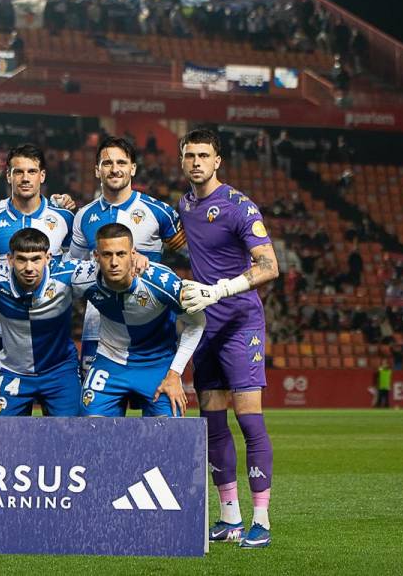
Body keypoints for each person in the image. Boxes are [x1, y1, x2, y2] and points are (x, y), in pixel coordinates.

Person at [175, 128, 281, 549]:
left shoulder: (239, 206)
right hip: (205, 326)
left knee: (249, 419)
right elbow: (173, 241)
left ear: (217, 161)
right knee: (213, 423)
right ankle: (230, 518)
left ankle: (262, 520)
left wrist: (219, 290)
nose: (197, 162)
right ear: (182, 161)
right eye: (190, 156)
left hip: (240, 324)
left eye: (204, 155)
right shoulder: (185, 205)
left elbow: (269, 266)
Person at [70, 137, 187, 375]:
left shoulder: (160, 213)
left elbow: (191, 254)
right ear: (97, 170)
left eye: (121, 163)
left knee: (156, 398)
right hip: (99, 329)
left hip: (151, 328)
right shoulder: (83, 216)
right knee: (95, 398)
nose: (115, 169)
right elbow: (73, 269)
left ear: (133, 168)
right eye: (107, 163)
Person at [0, 144, 75, 401]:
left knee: (60, 416)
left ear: (42, 175)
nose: (25, 178)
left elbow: (77, 268)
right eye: (18, 172)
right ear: (8, 176)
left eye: (32, 171)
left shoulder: (64, 218)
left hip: (50, 330)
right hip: (1, 329)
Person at [78, 224, 207, 419]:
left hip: (158, 365)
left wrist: (175, 374)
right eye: (107, 255)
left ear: (133, 254)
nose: (114, 262)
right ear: (96, 256)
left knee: (170, 432)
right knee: (90, 427)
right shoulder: (83, 278)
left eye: (121, 254)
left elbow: (197, 322)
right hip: (110, 363)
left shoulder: (161, 282)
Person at [0, 228, 93, 416]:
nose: (29, 267)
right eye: (21, 259)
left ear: (48, 258)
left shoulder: (69, 274)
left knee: (72, 432)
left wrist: (136, 259)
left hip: (60, 373)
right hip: (13, 372)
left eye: (36, 259)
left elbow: (106, 267)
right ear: (10, 259)